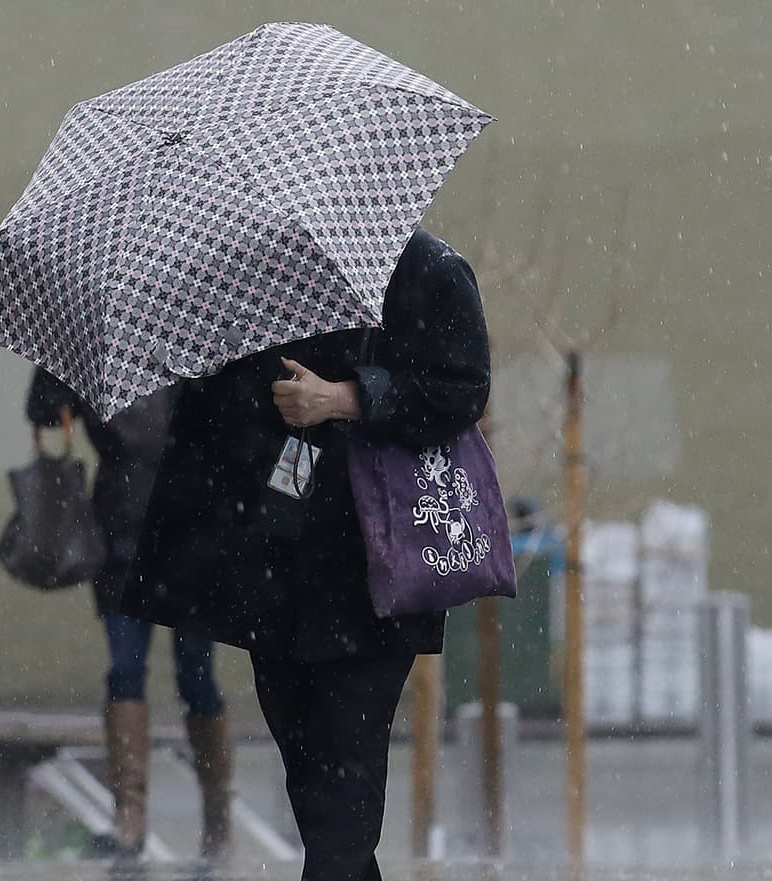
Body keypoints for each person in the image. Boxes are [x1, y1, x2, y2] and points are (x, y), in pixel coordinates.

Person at [123, 226, 491, 881]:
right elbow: (221, 413)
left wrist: (346, 396)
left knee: (344, 788)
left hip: (379, 558)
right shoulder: (260, 277)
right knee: (315, 785)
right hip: (278, 560)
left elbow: (461, 387)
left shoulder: (426, 269)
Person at [26, 368, 234, 860]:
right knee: (125, 670)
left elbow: (234, 426)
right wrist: (54, 356)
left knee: (196, 676)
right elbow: (41, 413)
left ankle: (218, 821)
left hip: (192, 534)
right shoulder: (101, 348)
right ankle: (130, 818)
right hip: (123, 534)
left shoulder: (196, 345)